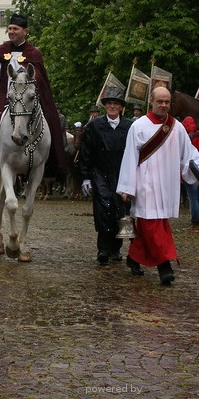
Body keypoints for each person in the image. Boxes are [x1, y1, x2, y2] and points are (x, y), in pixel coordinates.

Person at [117, 86, 199, 286]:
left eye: (167, 102)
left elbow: (189, 154)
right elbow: (130, 157)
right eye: (160, 101)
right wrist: (127, 187)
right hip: (145, 184)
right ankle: (164, 266)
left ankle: (134, 258)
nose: (164, 105)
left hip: (166, 185)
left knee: (152, 224)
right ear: (152, 101)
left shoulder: (177, 127)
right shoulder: (138, 126)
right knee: (153, 226)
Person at [0, 13, 68, 177]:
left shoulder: (34, 53)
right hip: (0, 98)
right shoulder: (0, 50)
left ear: (25, 31)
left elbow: (40, 79)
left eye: (15, 29)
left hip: (25, 98)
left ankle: (49, 160)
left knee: (49, 120)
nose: (11, 31)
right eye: (10, 28)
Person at [79, 86, 133, 265]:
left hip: (121, 172)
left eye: (115, 104)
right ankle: (103, 249)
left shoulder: (129, 126)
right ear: (105, 106)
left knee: (119, 208)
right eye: (109, 103)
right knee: (103, 208)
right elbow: (86, 152)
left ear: (121, 107)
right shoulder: (94, 126)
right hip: (100, 172)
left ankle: (116, 249)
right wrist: (86, 176)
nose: (112, 106)